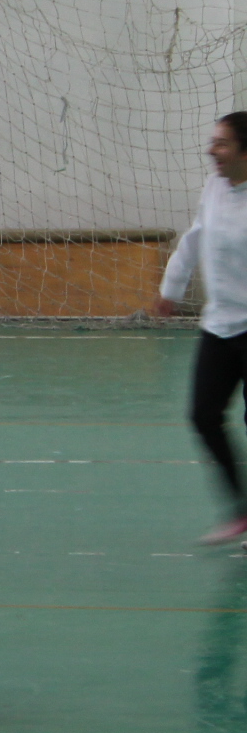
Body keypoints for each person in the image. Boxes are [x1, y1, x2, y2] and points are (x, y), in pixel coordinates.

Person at [156, 112, 247, 543]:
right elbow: (194, 239)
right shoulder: (213, 187)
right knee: (204, 415)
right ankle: (242, 509)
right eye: (213, 141)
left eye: (222, 143)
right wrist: (170, 289)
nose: (213, 150)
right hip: (219, 326)